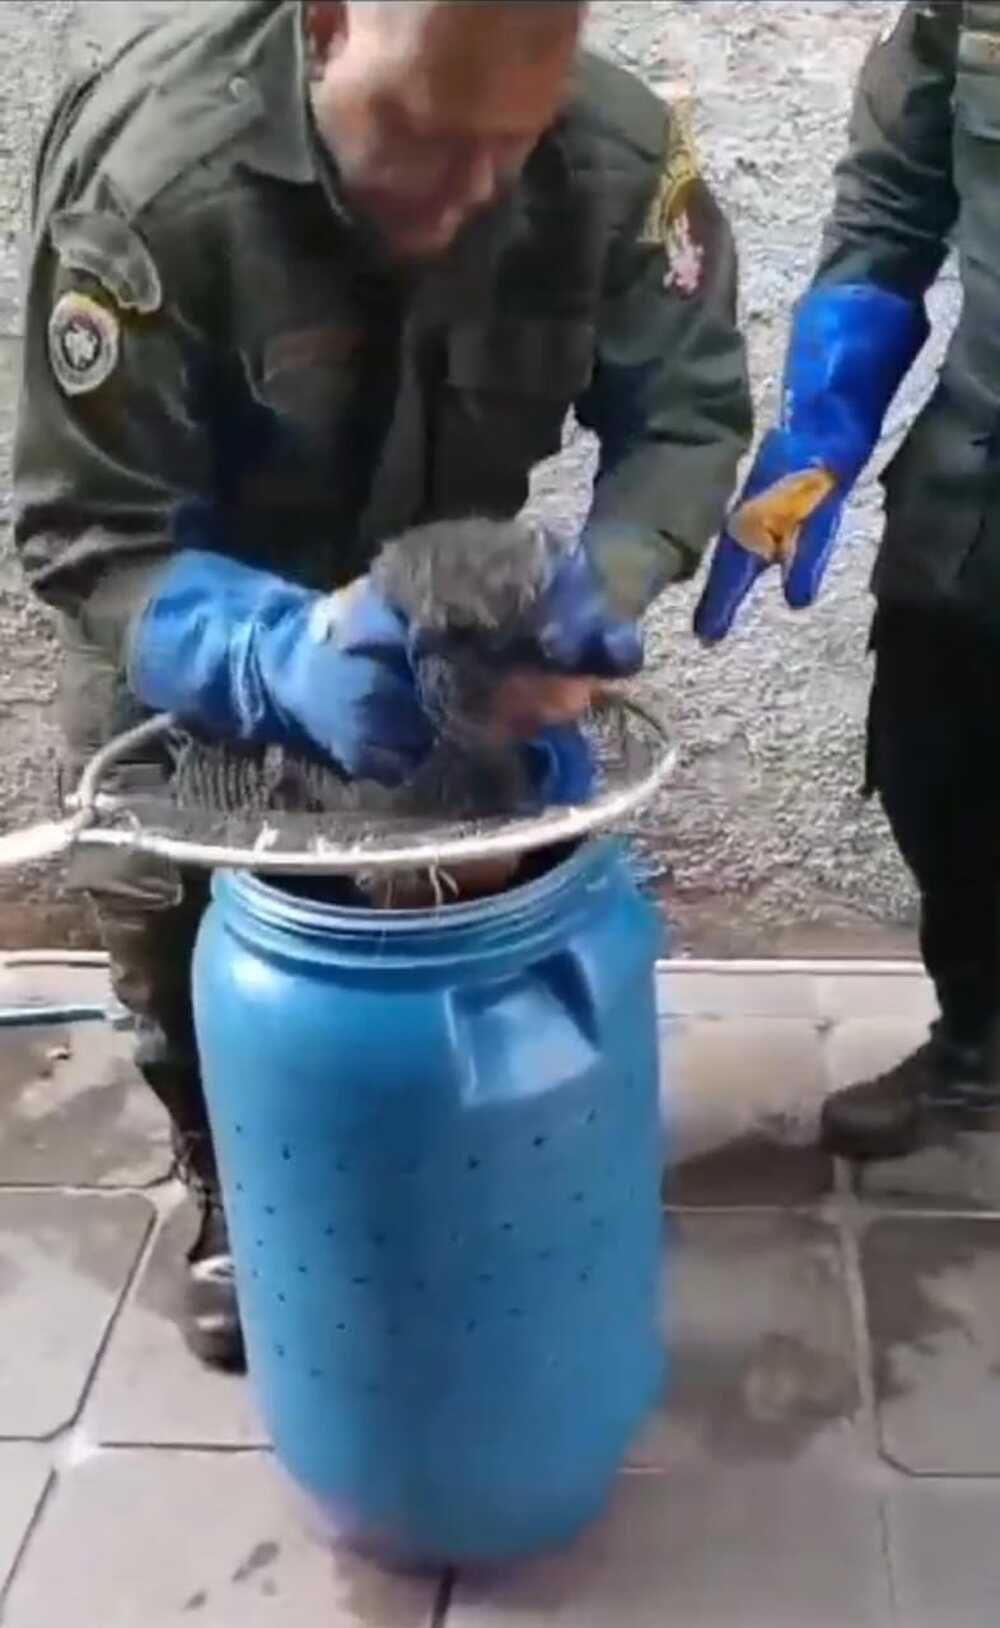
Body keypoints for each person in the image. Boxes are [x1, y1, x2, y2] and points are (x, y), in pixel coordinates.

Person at [13, 0, 751, 1369]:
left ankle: (490, 1146)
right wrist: (268, 655)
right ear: (332, 21)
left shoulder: (616, 159)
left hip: (437, 599)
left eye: (506, 150)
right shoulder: (158, 182)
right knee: (168, 909)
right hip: (196, 601)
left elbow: (688, 414)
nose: (470, 198)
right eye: (422, 138)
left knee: (494, 892)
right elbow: (85, 535)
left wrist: (610, 574)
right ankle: (227, 1174)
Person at [695, 1, 1000, 1160]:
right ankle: (978, 1041)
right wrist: (824, 416)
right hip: (986, 453)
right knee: (936, 755)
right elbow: (891, 198)